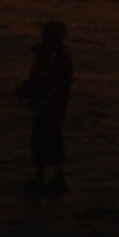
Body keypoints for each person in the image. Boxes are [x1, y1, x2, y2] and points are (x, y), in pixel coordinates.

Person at [15, 18, 73, 187]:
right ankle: (56, 176)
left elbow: (38, 80)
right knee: (53, 139)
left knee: (41, 139)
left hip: (46, 106)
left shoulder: (49, 57)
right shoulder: (59, 57)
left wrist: (21, 94)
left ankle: (43, 177)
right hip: (55, 106)